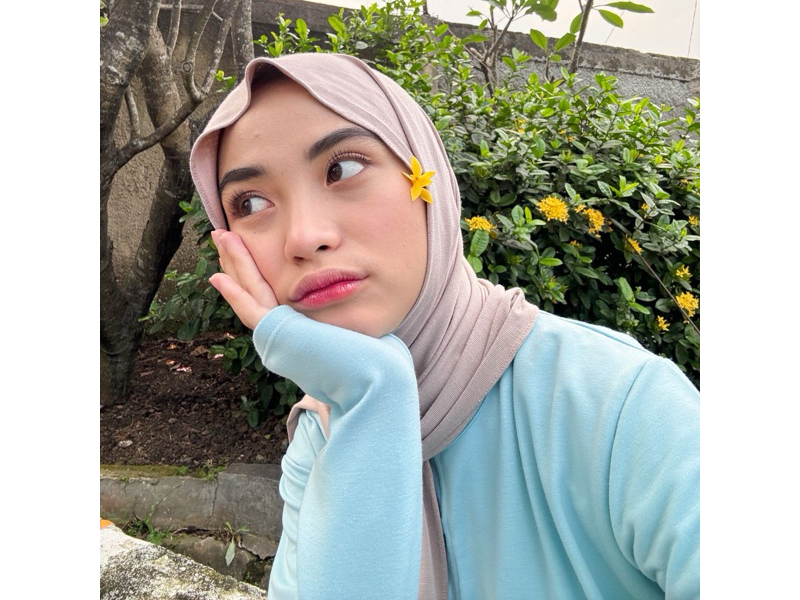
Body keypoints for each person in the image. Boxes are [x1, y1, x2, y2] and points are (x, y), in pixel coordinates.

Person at [190, 52, 699, 600]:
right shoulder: (323, 434)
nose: (304, 237)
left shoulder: (620, 407)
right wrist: (374, 394)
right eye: (251, 203)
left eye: (343, 169)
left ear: (427, 174)